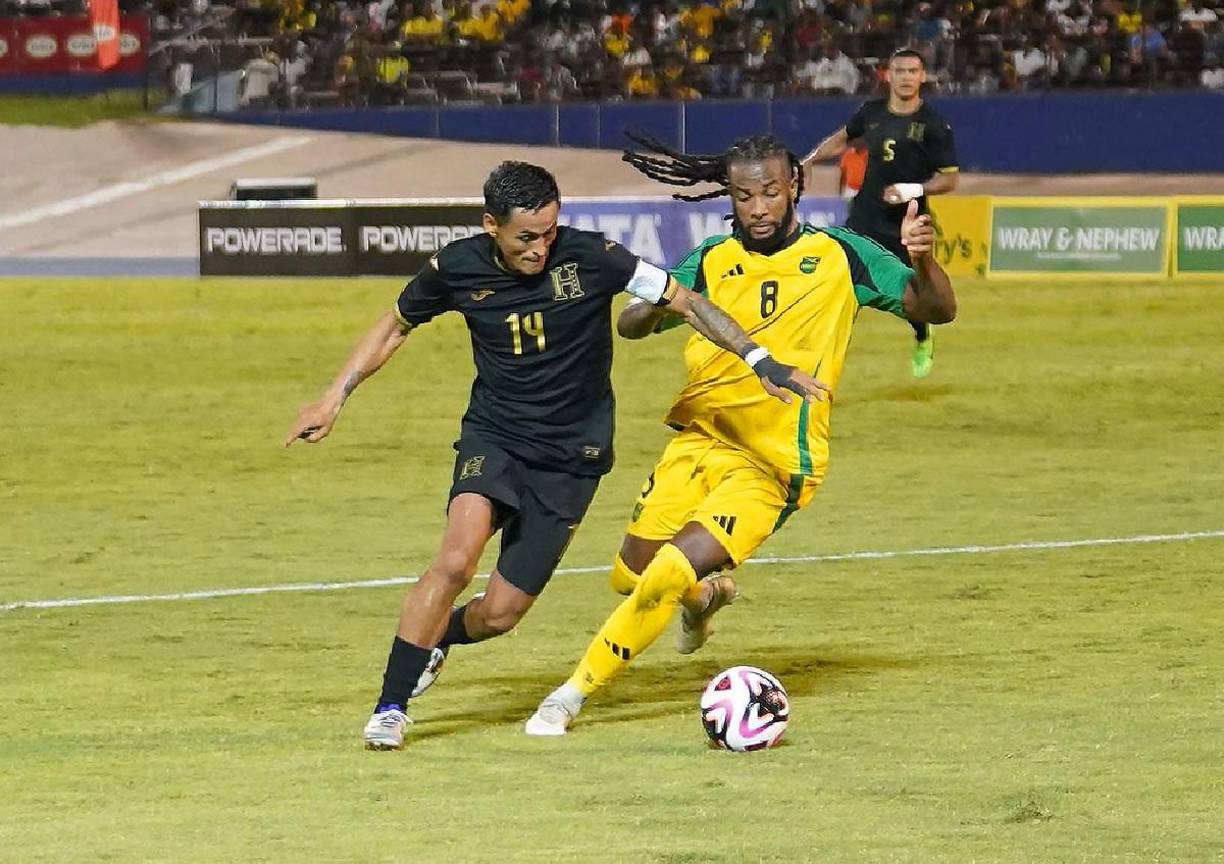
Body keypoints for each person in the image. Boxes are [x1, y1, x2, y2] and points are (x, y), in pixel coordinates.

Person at [285, 161, 827, 751]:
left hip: (573, 457)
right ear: (491, 224)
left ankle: (438, 639)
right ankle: (390, 708)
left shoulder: (596, 257)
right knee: (456, 561)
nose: (541, 247)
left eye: (549, 231)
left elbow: (688, 302)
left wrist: (760, 361)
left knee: (499, 613)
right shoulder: (456, 267)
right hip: (495, 437)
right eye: (526, 237)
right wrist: (335, 397)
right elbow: (395, 323)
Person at [524, 134, 957, 736]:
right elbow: (630, 323)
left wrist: (923, 261)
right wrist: (654, 304)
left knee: (670, 571)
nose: (757, 207)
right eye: (744, 194)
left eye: (771, 193)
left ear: (795, 189)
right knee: (631, 575)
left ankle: (569, 697)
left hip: (773, 461)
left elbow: (935, 310)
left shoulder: (843, 255)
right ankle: (704, 601)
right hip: (698, 442)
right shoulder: (710, 257)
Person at [801, 47, 959, 379]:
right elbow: (841, 139)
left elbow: (949, 178)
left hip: (907, 222)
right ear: (888, 75)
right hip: (865, 215)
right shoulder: (871, 112)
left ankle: (922, 336)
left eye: (913, 72)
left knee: (913, 295)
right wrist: (811, 159)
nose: (906, 78)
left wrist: (914, 189)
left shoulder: (933, 124)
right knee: (842, 280)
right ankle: (822, 354)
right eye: (899, 71)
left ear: (922, 77)